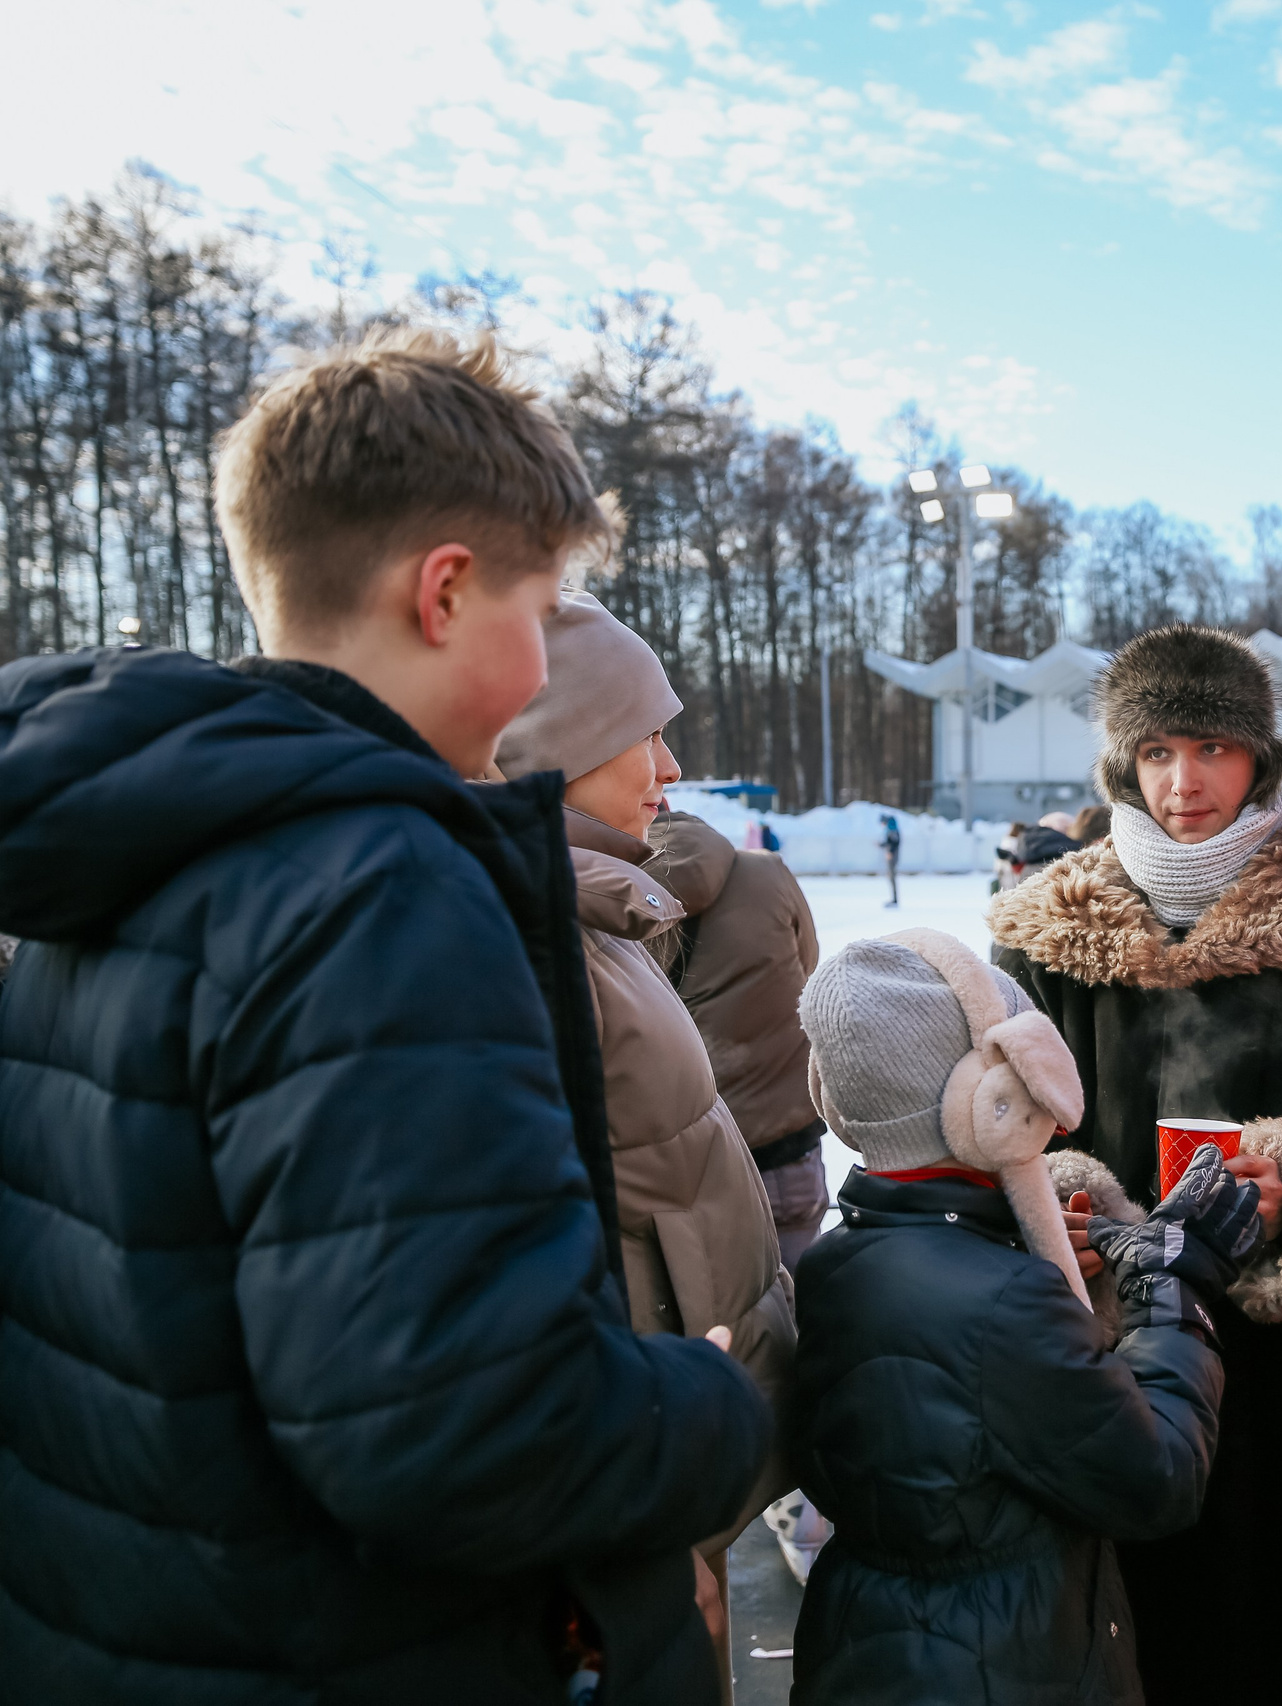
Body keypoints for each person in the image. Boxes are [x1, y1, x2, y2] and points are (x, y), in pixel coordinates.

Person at [0, 328, 768, 1702]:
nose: (543, 675)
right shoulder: (376, 883)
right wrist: (696, 1406)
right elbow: (457, 1427)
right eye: (538, 613)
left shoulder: (115, 857)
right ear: (447, 591)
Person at [989, 623, 1282, 1705]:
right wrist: (1075, 1198)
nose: (1182, 781)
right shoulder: (1048, 925)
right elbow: (1006, 1105)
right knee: (1146, 1615)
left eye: (1210, 749)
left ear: (1260, 759)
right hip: (1115, 1340)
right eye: (1156, 753)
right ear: (1122, 765)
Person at [787, 928, 1260, 1704]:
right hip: (1007, 1665)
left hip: (876, 1650)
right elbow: (1158, 1478)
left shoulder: (841, 1258)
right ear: (988, 1098)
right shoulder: (1003, 1302)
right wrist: (1172, 1283)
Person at [495, 592, 800, 1682]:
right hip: (637, 1461)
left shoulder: (600, 913)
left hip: (676, 1435)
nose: (668, 769)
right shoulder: (537, 933)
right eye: (644, 735)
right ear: (559, 747)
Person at [646, 804, 830, 1273]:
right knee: (800, 1308)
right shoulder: (766, 873)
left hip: (688, 1164)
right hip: (787, 1142)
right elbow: (809, 972)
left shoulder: (621, 900)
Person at [879, 810, 903, 907]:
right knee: (891, 877)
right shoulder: (891, 830)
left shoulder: (892, 830)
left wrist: (890, 852)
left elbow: (894, 843)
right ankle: (894, 899)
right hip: (892, 856)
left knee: (892, 877)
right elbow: (889, 842)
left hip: (892, 858)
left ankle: (894, 900)